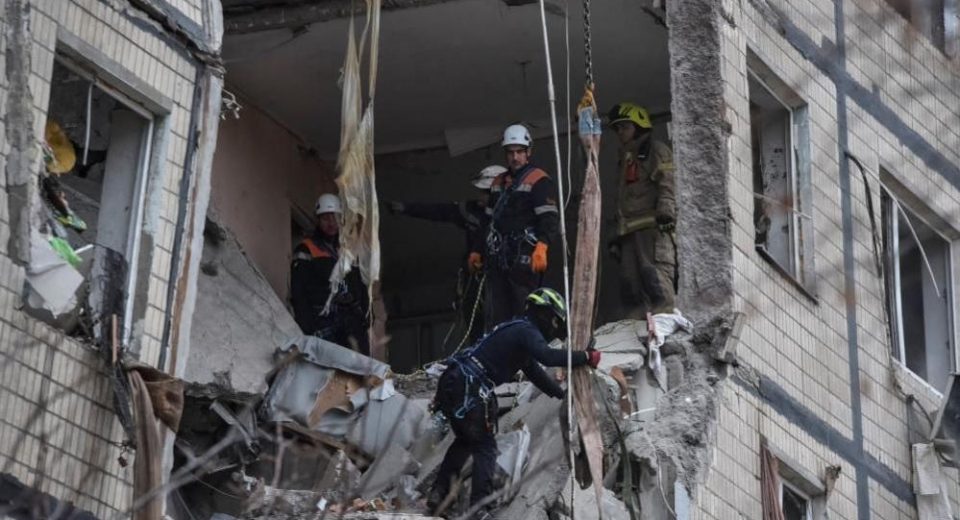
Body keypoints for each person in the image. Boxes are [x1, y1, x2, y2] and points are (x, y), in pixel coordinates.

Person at [428, 288, 601, 518]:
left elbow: (534, 372)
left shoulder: (517, 331)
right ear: (545, 314)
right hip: (470, 385)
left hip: (454, 382)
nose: (554, 327)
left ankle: (438, 495)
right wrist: (585, 356)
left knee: (464, 442)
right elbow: (547, 356)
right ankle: (479, 510)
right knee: (485, 448)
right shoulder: (526, 331)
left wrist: (561, 395)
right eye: (555, 321)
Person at [387, 165, 506, 345]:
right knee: (474, 323)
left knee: (502, 324)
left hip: (502, 279)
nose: (481, 196)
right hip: (474, 278)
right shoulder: (470, 211)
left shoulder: (513, 215)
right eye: (481, 192)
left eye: (486, 192)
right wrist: (406, 208)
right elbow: (440, 211)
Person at [476, 124, 560, 331]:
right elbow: (487, 221)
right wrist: (476, 250)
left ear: (528, 151)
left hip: (525, 255)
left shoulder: (538, 180)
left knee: (525, 308)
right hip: (499, 256)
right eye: (510, 152)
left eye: (519, 152)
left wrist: (543, 245)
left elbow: (549, 218)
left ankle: (528, 345)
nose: (515, 157)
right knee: (498, 314)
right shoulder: (498, 183)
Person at [607, 102, 677, 318]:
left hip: (652, 230)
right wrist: (615, 237)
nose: (620, 132)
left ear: (639, 126)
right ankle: (635, 325)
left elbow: (668, 181)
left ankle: (665, 318)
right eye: (618, 129)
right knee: (630, 282)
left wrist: (666, 212)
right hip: (629, 233)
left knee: (653, 275)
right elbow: (621, 201)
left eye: (625, 127)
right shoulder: (625, 158)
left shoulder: (656, 150)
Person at [290, 193, 370, 354]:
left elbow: (360, 285)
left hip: (351, 322)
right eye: (325, 218)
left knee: (358, 364)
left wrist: (365, 314)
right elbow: (299, 292)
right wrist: (308, 328)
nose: (331, 223)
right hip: (324, 321)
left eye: (335, 217)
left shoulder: (348, 251)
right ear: (318, 220)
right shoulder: (307, 249)